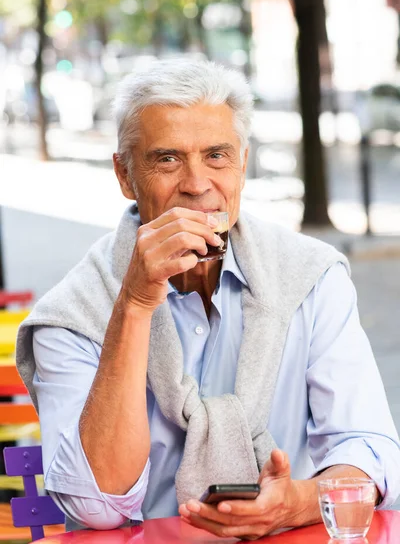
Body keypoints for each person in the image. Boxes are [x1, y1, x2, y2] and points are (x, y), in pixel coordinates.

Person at [17, 59, 400, 539]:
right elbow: (95, 506)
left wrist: (297, 502)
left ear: (242, 163)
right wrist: (134, 303)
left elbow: (367, 448)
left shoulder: (312, 277)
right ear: (124, 174)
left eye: (216, 155)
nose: (197, 184)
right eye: (167, 159)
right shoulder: (72, 314)